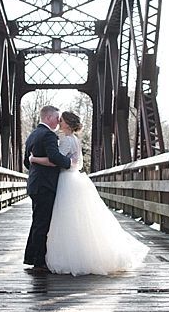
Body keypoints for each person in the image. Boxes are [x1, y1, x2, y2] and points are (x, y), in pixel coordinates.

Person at [28, 111, 148, 276]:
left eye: (61, 120)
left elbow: (55, 161)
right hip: (73, 179)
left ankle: (64, 257)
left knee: (64, 220)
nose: (58, 122)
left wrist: (33, 160)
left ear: (67, 124)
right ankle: (78, 254)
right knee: (75, 220)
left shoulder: (67, 141)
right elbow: (72, 163)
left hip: (64, 180)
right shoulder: (75, 140)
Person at [23, 105, 72, 275]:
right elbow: (54, 157)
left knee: (37, 222)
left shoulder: (33, 135)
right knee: (42, 224)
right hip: (45, 185)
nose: (59, 122)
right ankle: (39, 262)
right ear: (49, 118)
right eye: (57, 118)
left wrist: (35, 163)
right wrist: (69, 163)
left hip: (35, 183)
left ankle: (32, 257)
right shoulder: (49, 135)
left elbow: (26, 162)